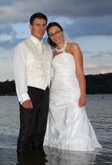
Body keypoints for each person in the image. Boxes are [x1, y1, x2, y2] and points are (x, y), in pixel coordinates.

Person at [43, 22, 101, 151]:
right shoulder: (52, 54)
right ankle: (59, 155)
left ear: (62, 31)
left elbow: (80, 73)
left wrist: (83, 94)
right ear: (49, 37)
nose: (55, 36)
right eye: (51, 34)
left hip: (72, 92)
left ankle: (76, 158)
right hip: (55, 95)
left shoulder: (74, 47)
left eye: (57, 32)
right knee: (58, 126)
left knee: (75, 124)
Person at [13, 12, 53, 152]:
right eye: (37, 25)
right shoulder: (22, 47)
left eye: (43, 25)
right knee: (27, 132)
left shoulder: (48, 48)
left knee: (41, 131)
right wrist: (23, 97)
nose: (41, 28)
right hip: (30, 92)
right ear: (30, 26)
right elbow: (19, 72)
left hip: (45, 93)